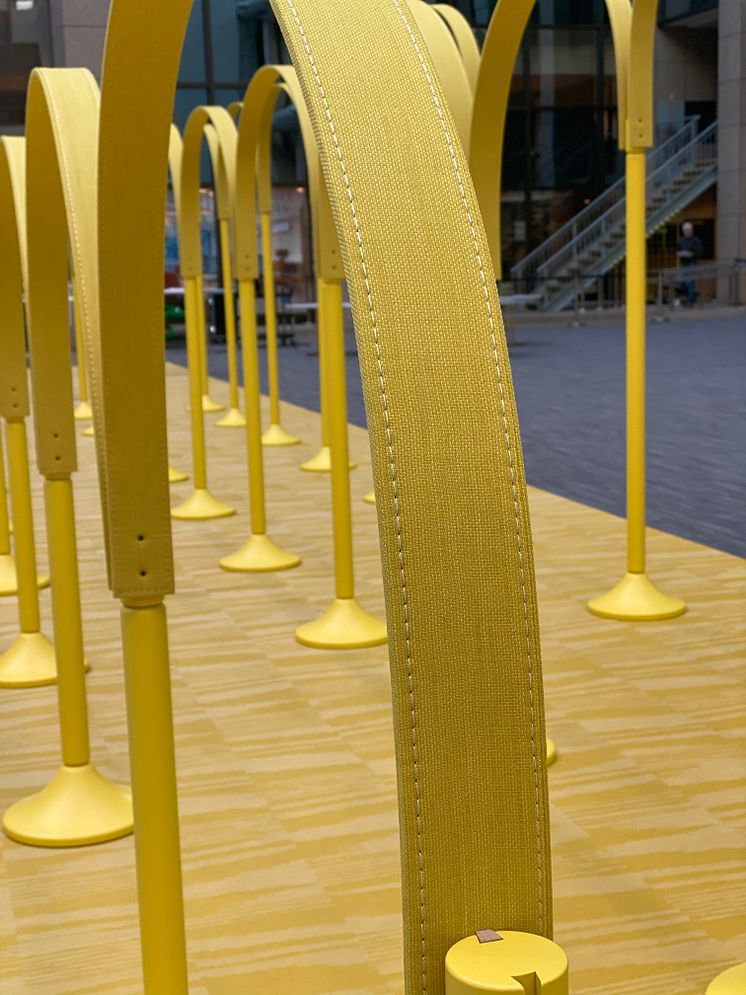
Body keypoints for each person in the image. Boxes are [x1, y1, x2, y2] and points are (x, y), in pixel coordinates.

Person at [676, 221, 703, 306]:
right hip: (683, 262)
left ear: (691, 230)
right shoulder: (680, 240)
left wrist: (692, 254)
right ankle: (691, 296)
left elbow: (700, 251)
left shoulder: (696, 240)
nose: (687, 232)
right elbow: (677, 250)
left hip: (692, 262)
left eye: (689, 230)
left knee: (689, 281)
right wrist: (680, 253)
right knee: (684, 282)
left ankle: (690, 300)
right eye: (686, 231)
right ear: (683, 231)